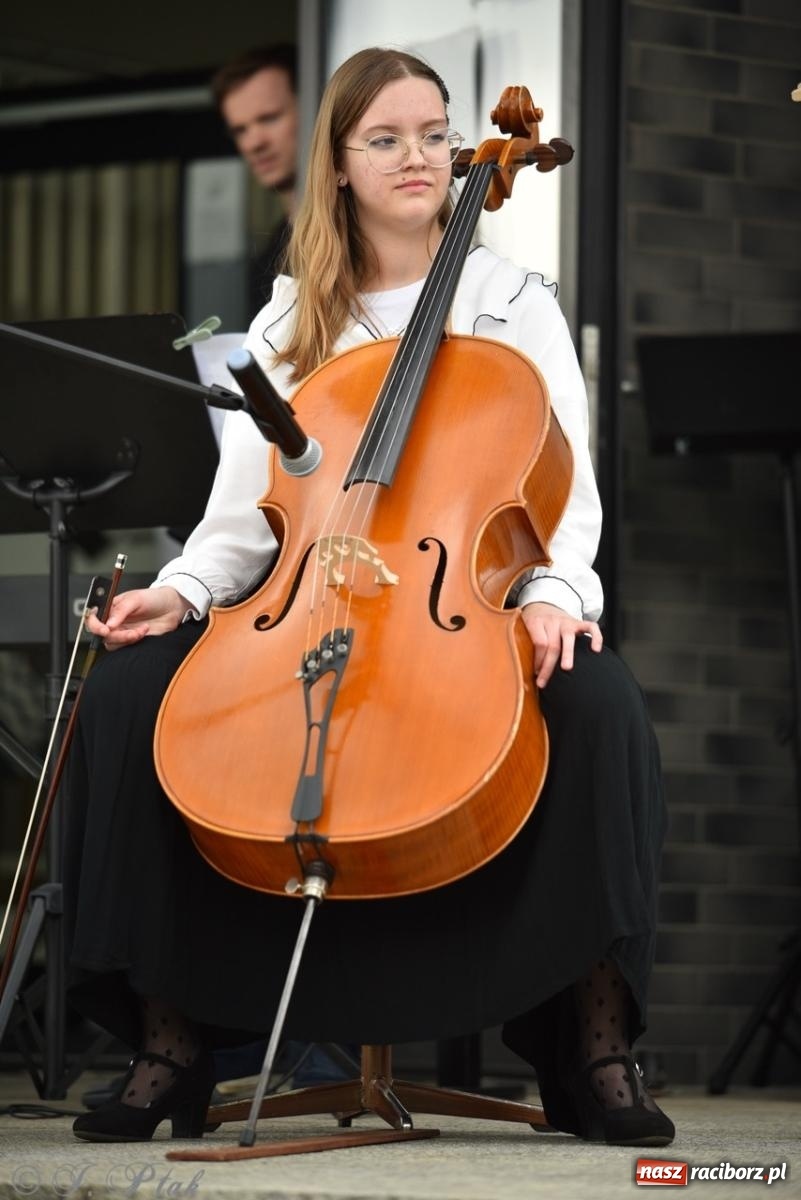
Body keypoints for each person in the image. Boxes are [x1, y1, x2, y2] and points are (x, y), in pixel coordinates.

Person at [64, 46, 674, 1147]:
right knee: (126, 700)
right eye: (386, 138)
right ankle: (171, 1046)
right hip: (307, 600)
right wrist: (185, 590)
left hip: (463, 603)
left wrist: (547, 595)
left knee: (599, 706)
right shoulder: (290, 323)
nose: (420, 158)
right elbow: (249, 516)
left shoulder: (509, 304)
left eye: (436, 135)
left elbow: (559, 500)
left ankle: (594, 1048)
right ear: (338, 163)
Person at [210, 44, 299, 312]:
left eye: (269, 118)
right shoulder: (269, 258)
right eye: (240, 130)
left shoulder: (363, 231)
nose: (253, 143)